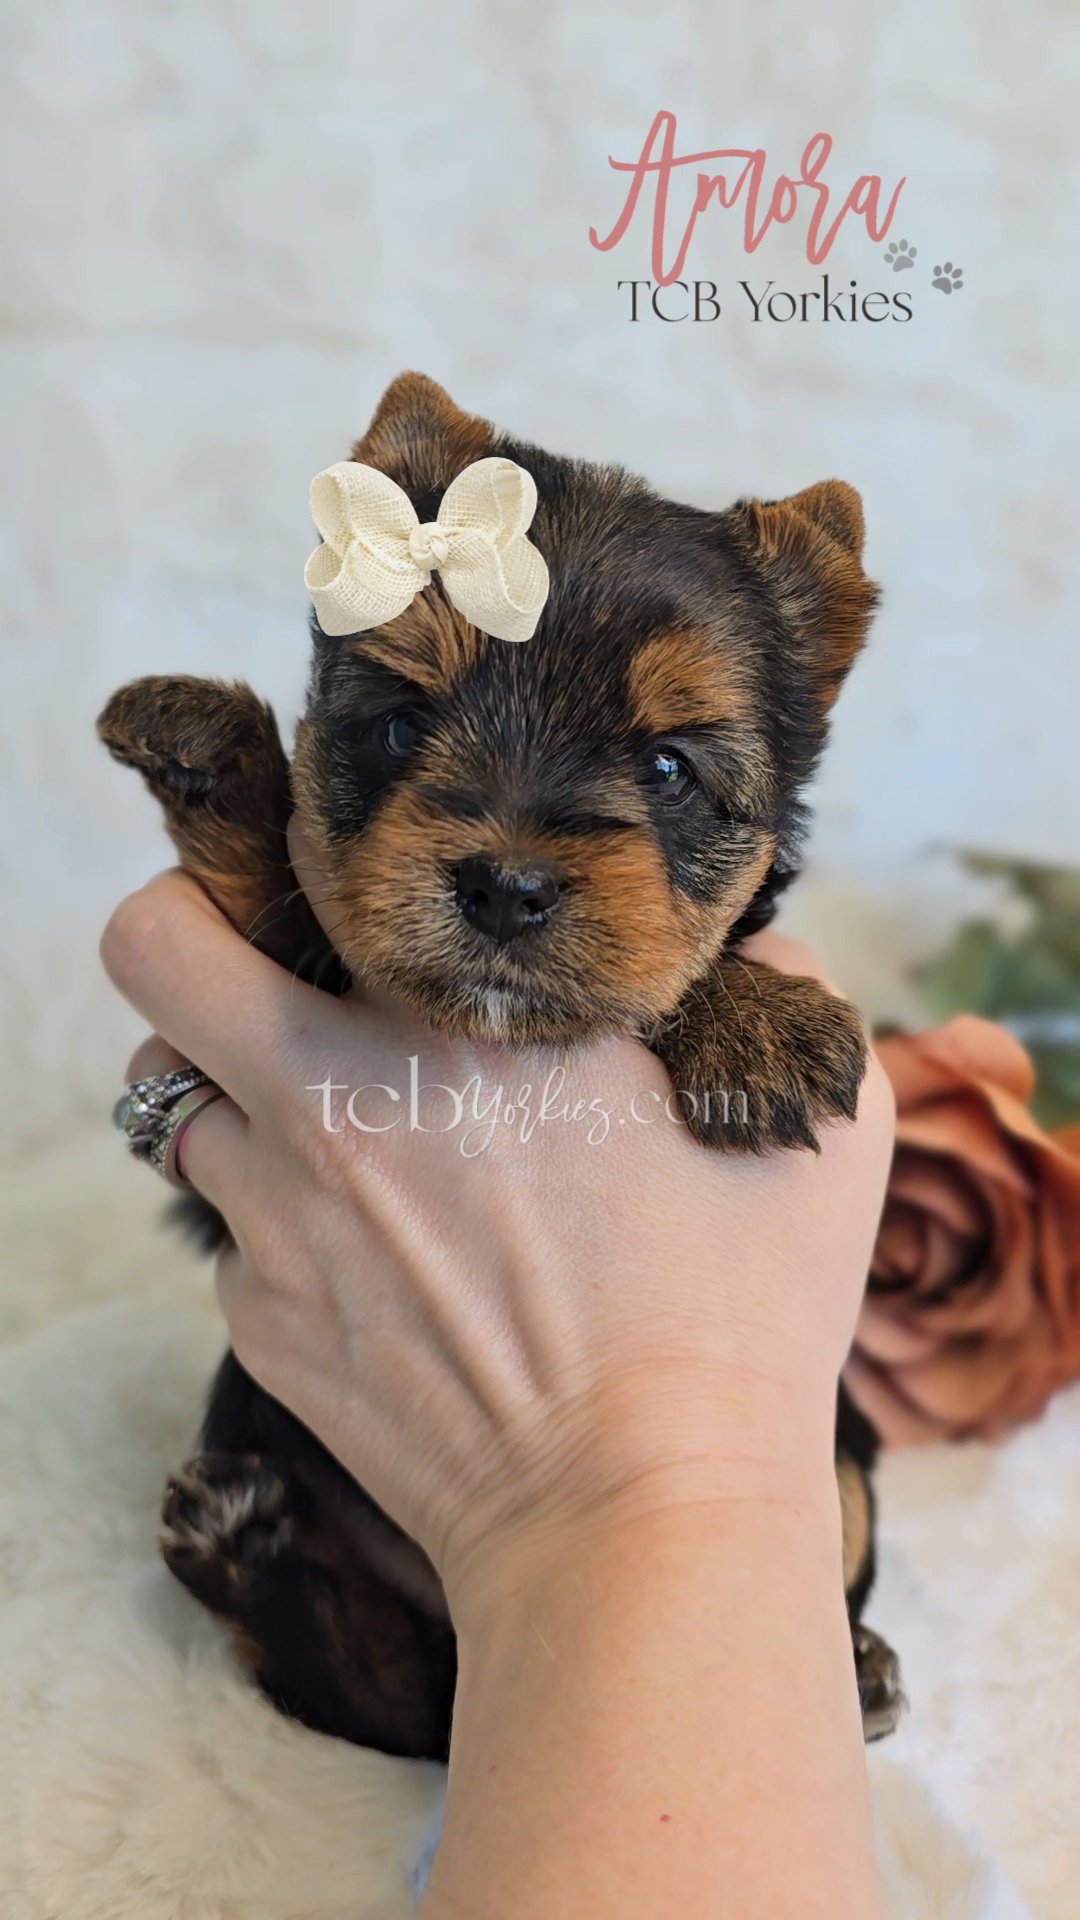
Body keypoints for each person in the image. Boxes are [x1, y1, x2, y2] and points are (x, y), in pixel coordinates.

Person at [101, 833, 894, 1919]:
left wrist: (601, 1497)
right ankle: (311, 1608)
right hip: (341, 1496)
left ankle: (315, 1610)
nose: (514, 864)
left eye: (667, 769)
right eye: (401, 742)